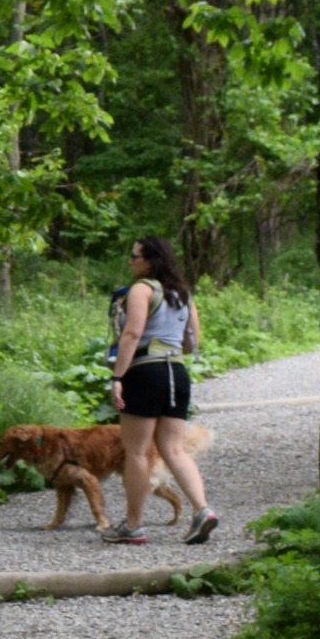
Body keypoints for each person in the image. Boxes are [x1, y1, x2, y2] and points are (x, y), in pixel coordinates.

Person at [103, 234, 217, 546]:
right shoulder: (182, 293)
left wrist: (118, 377)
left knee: (137, 451)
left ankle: (134, 526)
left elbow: (132, 333)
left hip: (146, 371)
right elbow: (192, 340)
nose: (130, 261)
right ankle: (203, 511)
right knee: (174, 448)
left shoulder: (142, 289)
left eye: (135, 256)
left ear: (151, 261)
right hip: (177, 372)